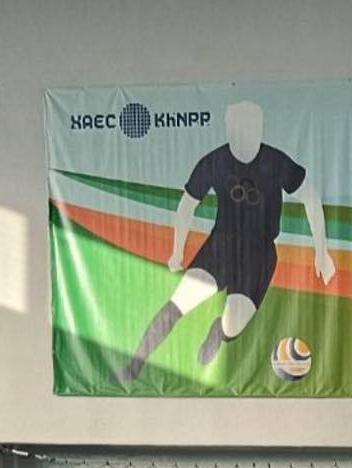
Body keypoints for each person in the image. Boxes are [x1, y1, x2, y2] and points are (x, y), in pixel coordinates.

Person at [121, 99, 336, 375]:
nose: (245, 136)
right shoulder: (215, 162)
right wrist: (177, 252)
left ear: (260, 130)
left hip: (258, 255)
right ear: (228, 129)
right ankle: (133, 366)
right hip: (220, 247)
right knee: (177, 304)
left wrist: (321, 251)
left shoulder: (275, 162)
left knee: (234, 325)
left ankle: (220, 330)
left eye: (252, 130)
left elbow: (311, 198)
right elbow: (187, 205)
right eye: (239, 130)